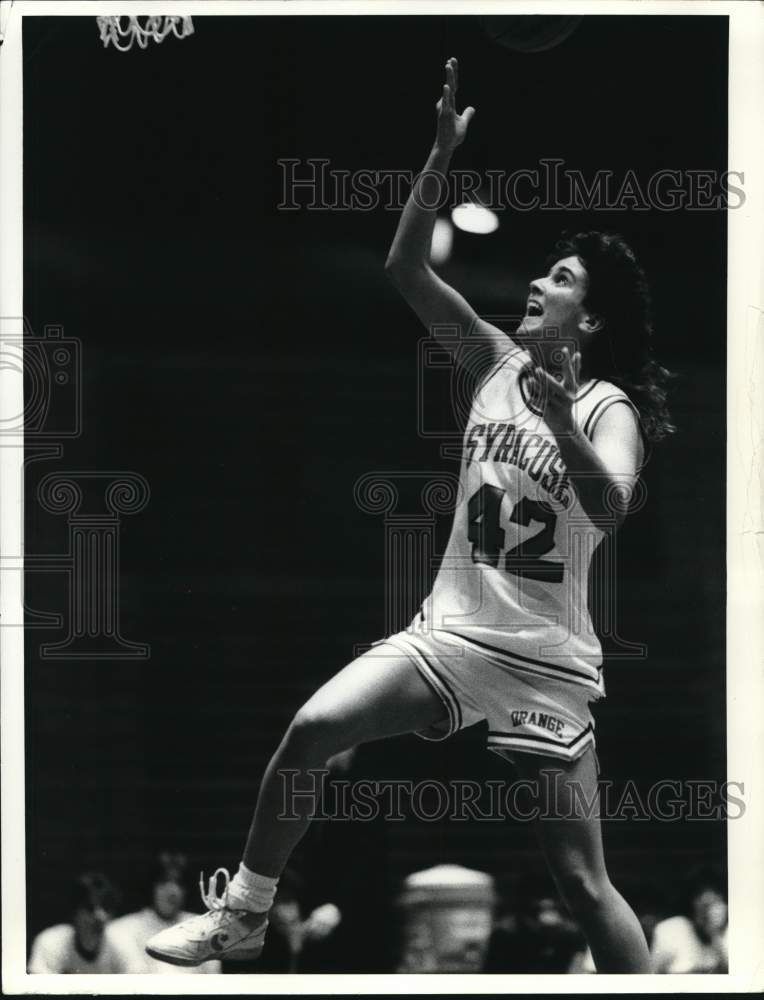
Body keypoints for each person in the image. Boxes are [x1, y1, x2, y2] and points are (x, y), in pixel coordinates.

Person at [146, 57, 674, 974]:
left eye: (558, 276)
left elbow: (613, 504)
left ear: (587, 319)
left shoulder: (607, 407)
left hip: (546, 665)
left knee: (585, 886)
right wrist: (436, 157)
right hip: (451, 638)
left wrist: (564, 427)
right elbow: (402, 267)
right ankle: (245, 912)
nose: (540, 284)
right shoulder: (498, 362)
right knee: (311, 730)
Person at [107, 852, 220, 974]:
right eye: (164, 882)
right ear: (151, 887)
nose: (172, 891)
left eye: (179, 883)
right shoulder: (122, 929)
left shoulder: (203, 929)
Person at [28, 872, 124, 974]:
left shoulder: (122, 944)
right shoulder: (50, 942)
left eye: (106, 907)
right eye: (89, 908)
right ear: (75, 913)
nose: (100, 917)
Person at [651, 868, 728, 973]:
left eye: (715, 901)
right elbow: (652, 975)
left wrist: (715, 935)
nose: (708, 912)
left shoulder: (734, 933)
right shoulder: (669, 931)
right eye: (702, 905)